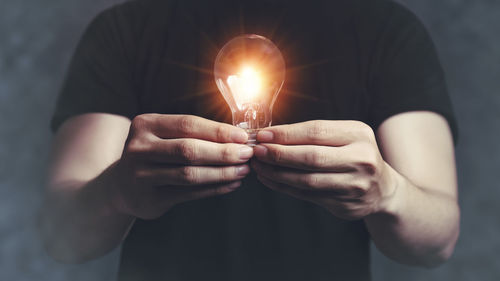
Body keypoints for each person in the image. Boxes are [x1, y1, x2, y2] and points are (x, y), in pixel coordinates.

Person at [40, 0, 460, 280]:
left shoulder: (386, 31)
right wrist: (118, 191)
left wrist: (387, 193)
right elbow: (62, 239)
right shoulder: (125, 30)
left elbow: (436, 242)